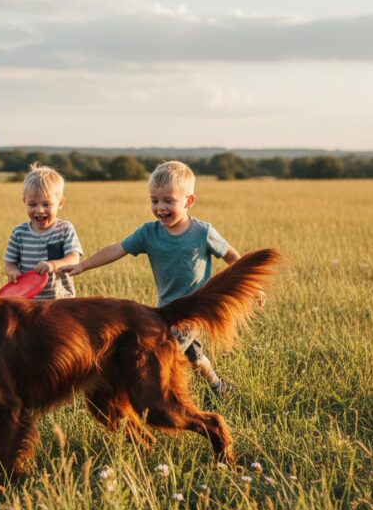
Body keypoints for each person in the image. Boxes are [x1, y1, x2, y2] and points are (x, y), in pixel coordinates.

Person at [60, 160, 241, 395]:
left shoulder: (203, 232)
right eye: (154, 201)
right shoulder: (149, 232)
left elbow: (231, 256)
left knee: (165, 351)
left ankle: (165, 396)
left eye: (168, 201)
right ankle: (218, 385)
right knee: (194, 358)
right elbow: (118, 249)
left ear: (189, 201)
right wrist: (83, 265)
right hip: (166, 309)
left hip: (195, 310)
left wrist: (252, 287)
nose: (160, 208)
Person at [4, 163, 83, 300]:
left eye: (46, 204)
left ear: (60, 204)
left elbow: (74, 258)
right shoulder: (19, 233)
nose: (40, 210)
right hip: (27, 300)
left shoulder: (64, 229)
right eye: (32, 204)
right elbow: (9, 262)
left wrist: (53, 264)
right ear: (25, 202)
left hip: (60, 301)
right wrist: (12, 271)